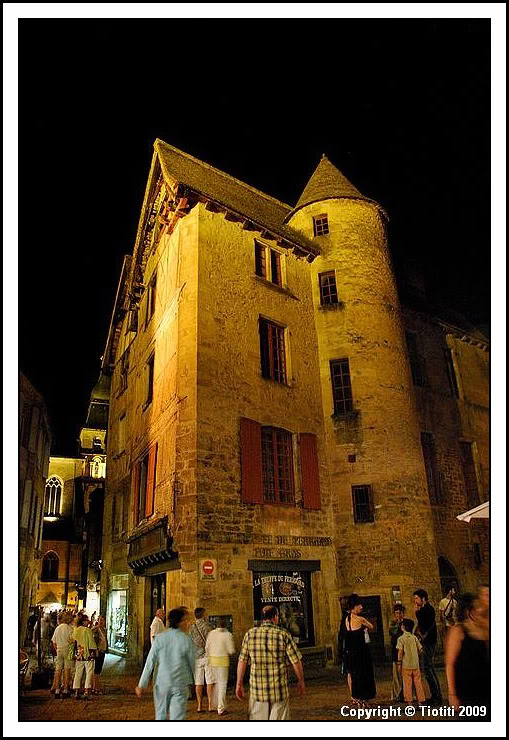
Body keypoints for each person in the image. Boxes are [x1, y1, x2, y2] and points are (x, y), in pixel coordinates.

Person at [236, 604, 305, 721]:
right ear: (275, 617)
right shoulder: (283, 634)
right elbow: (295, 661)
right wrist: (301, 680)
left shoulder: (250, 634)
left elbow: (242, 660)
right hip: (279, 689)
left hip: (257, 690)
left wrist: (239, 683)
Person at [135, 608, 196, 720]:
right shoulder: (186, 640)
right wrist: (195, 682)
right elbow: (192, 663)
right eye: (185, 620)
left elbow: (150, 661)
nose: (187, 623)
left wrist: (142, 684)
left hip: (162, 683)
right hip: (180, 684)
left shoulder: (160, 638)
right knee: (177, 718)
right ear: (180, 622)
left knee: (160, 716)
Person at [445, 592, 489, 716]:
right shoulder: (458, 631)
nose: (481, 609)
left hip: (486, 689)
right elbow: (450, 663)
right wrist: (452, 693)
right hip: (467, 692)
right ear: (468, 610)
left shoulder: (484, 628)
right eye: (477, 606)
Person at [344, 594, 376, 707]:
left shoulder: (347, 619)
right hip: (362, 651)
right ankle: (364, 698)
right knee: (365, 675)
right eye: (359, 605)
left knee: (355, 676)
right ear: (355, 606)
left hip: (352, 652)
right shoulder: (360, 619)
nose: (361, 607)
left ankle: (356, 697)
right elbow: (371, 626)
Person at [413, 588, 442, 705]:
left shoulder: (427, 609)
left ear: (423, 599)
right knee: (429, 668)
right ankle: (436, 696)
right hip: (428, 641)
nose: (415, 601)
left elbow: (424, 624)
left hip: (429, 642)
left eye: (416, 598)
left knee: (427, 669)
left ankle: (436, 697)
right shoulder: (425, 609)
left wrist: (417, 612)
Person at [205, 617, 235, 716]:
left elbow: (207, 647)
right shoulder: (228, 635)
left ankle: (215, 704)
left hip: (212, 661)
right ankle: (220, 708)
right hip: (222, 661)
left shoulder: (211, 633)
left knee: (217, 683)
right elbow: (231, 650)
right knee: (222, 685)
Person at [189, 607, 215, 712]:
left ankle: (199, 706)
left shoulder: (191, 628)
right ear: (203, 615)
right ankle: (209, 705)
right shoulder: (208, 627)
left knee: (198, 682)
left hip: (196, 658)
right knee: (209, 681)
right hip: (207, 657)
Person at [397, 618, 425, 705]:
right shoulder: (414, 638)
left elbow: (400, 652)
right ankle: (420, 702)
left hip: (406, 665)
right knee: (418, 683)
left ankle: (410, 703)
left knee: (407, 684)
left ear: (403, 627)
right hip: (415, 665)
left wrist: (399, 663)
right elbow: (420, 650)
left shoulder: (401, 639)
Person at [72, 611, 97, 699]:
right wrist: (94, 652)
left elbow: (73, 641)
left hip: (79, 653)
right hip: (87, 653)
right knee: (89, 672)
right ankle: (86, 691)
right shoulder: (87, 630)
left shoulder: (76, 630)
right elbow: (91, 643)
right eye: (87, 620)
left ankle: (76, 691)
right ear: (83, 622)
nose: (88, 622)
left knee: (78, 672)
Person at [50, 611, 75, 697]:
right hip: (67, 649)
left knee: (58, 669)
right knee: (67, 669)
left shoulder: (58, 628)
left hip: (59, 649)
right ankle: (65, 689)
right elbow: (72, 640)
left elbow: (53, 641)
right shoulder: (69, 628)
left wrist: (57, 648)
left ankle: (57, 690)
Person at [389, 603, 406, 702]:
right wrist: (398, 625)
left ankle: (407, 693)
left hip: (405, 652)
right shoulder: (392, 624)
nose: (398, 615)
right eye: (396, 613)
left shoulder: (407, 623)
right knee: (397, 675)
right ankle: (397, 694)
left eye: (400, 613)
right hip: (395, 652)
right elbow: (393, 634)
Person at [92, 615, 108, 694]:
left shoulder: (104, 629)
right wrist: (95, 649)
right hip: (98, 651)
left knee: (99, 669)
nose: (101, 622)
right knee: (97, 669)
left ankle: (97, 686)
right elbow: (93, 639)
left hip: (103, 651)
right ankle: (95, 687)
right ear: (97, 621)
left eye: (102, 620)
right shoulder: (95, 629)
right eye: (100, 620)